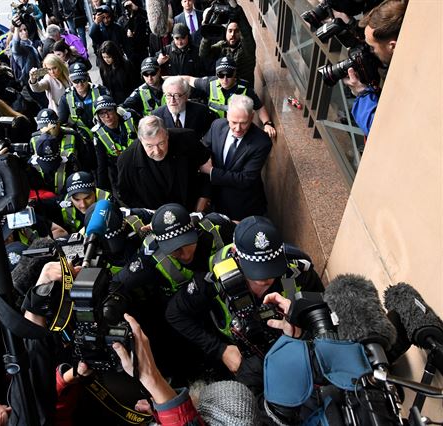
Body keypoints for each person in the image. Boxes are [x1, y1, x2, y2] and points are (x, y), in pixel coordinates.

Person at [166, 215, 324, 394]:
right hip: (242, 356)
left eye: (272, 268)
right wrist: (220, 350)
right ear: (237, 256)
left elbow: (323, 314)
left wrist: (301, 332)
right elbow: (175, 314)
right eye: (255, 271)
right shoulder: (212, 277)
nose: (265, 280)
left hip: (291, 344)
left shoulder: (297, 270)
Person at [199, 94, 272, 220]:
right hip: (215, 201)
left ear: (252, 117)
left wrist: (211, 172)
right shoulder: (217, 126)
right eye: (234, 122)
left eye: (244, 123)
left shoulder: (262, 142)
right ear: (227, 115)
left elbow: (245, 179)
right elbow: (204, 150)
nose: (238, 129)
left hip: (243, 207)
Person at [117, 115, 210, 211]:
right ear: (141, 140)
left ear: (167, 135)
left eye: (161, 143)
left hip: (192, 211)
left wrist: (203, 202)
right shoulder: (126, 160)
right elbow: (126, 196)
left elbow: (207, 168)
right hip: (153, 220)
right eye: (149, 146)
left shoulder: (187, 139)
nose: (157, 151)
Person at [342, 0, 406, 136]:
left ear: (393, 46)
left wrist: (362, 93)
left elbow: (381, 131)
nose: (370, 52)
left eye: (372, 47)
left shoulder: (408, 82)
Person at [184, 56, 277, 138]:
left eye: (228, 75)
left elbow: (259, 107)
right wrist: (171, 80)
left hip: (237, 129)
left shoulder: (245, 89)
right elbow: (189, 79)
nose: (225, 79)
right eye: (220, 75)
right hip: (214, 128)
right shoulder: (209, 83)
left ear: (234, 73)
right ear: (216, 74)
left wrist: (267, 123)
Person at [56, 62, 108, 157]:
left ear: (88, 78)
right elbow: (61, 122)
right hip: (82, 138)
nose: (80, 84)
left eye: (83, 80)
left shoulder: (101, 91)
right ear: (71, 80)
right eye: (76, 81)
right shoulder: (66, 98)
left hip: (104, 132)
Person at [199, 1, 256, 86]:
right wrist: (208, 30)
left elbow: (247, 33)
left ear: (240, 33)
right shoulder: (221, 46)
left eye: (236, 31)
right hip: (224, 89)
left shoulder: (246, 49)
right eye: (230, 31)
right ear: (225, 32)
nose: (232, 34)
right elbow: (203, 54)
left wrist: (239, 12)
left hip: (242, 92)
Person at [92, 95, 137, 192]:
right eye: (102, 114)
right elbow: (102, 166)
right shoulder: (98, 135)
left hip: (140, 163)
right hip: (119, 171)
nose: (107, 116)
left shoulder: (131, 118)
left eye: (109, 111)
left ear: (115, 110)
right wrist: (103, 191)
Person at [152, 76, 215, 141]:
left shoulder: (202, 112)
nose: (172, 100)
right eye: (168, 95)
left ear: (186, 96)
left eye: (177, 95)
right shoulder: (156, 116)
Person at [117, 0, 150, 69]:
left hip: (142, 49)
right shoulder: (121, 20)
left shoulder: (140, 16)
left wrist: (137, 8)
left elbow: (149, 17)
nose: (129, 8)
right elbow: (120, 37)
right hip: (130, 52)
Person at [10, 24, 42, 88]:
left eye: (25, 29)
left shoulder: (29, 43)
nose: (24, 32)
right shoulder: (18, 48)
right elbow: (16, 44)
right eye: (20, 31)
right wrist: (17, 27)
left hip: (38, 77)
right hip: (29, 83)